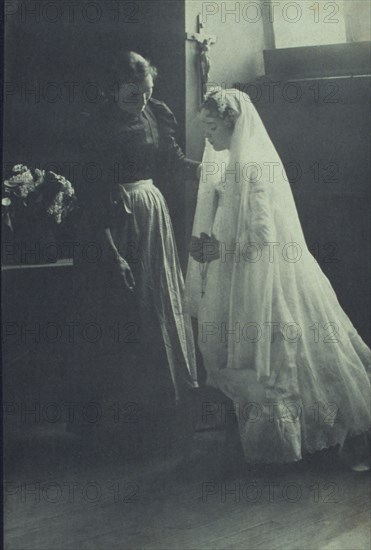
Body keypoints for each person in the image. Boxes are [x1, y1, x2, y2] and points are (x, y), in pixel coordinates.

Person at [186, 88, 370, 469]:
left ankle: (308, 438)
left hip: (266, 278)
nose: (207, 136)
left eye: (212, 127)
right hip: (237, 276)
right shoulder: (227, 166)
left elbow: (263, 242)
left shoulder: (253, 170)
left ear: (233, 125)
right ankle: (264, 439)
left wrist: (219, 251)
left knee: (279, 353)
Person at [73, 51, 199, 448]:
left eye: (146, 92)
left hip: (151, 215)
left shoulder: (156, 112)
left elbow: (173, 160)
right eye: (133, 94)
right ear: (115, 89)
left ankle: (160, 414)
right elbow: (91, 196)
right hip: (112, 223)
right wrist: (113, 253)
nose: (142, 101)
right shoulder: (96, 126)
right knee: (122, 312)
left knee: (158, 307)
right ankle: (115, 421)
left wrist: (210, 169)